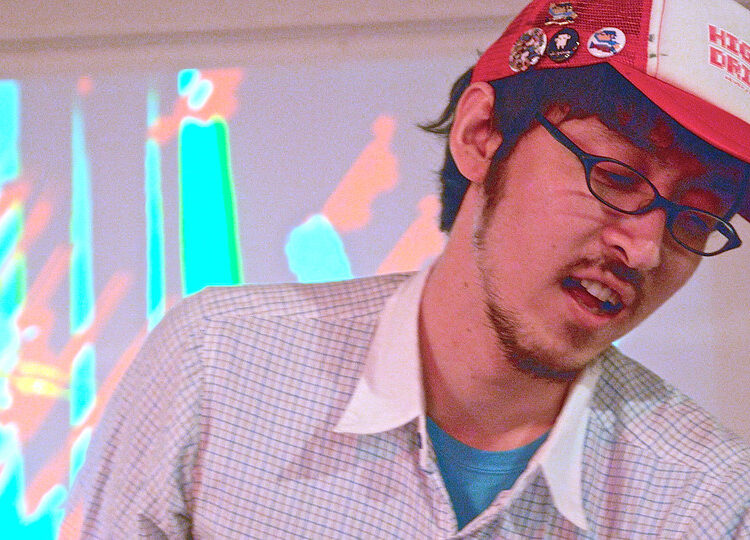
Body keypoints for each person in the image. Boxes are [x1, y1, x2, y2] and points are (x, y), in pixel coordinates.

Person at [64, 0, 750, 537]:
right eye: (617, 177)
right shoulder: (219, 364)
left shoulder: (703, 497)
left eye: (696, 218)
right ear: (482, 137)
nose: (646, 249)